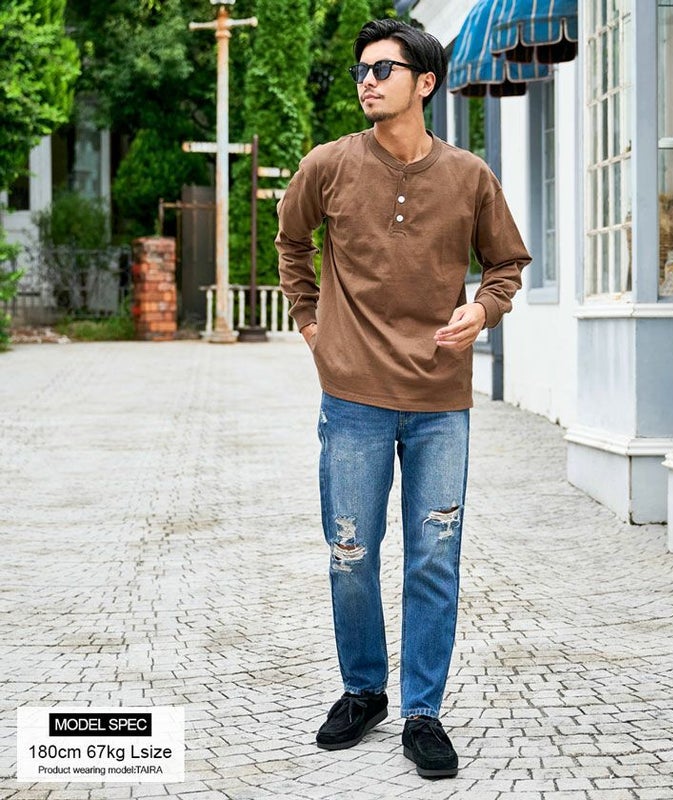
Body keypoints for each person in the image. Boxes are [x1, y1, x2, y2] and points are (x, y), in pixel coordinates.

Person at [276, 18, 530, 779]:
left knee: (433, 559)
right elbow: (292, 242)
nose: (367, 80)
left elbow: (506, 264)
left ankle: (424, 712)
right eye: (361, 69)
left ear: (424, 82)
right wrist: (311, 324)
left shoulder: (469, 177)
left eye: (383, 69)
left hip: (440, 400)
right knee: (351, 553)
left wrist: (483, 310)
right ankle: (364, 691)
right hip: (352, 396)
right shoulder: (328, 165)